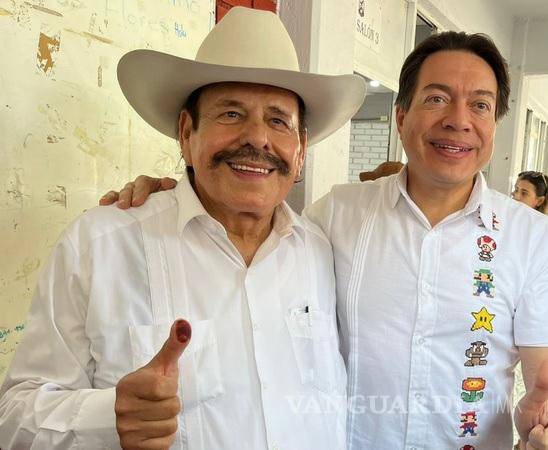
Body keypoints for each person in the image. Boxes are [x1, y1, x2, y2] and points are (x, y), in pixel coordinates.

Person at [104, 31, 548, 449]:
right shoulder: (336, 215)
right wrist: (178, 193)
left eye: (480, 105)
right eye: (437, 99)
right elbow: (254, 232)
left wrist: (537, 423)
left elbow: (540, 379)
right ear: (401, 116)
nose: (458, 121)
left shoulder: (530, 238)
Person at [0, 7, 367, 449]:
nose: (258, 138)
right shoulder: (100, 244)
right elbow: (14, 417)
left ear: (301, 149)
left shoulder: (320, 250)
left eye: (278, 121)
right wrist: (108, 415)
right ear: (186, 132)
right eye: (231, 114)